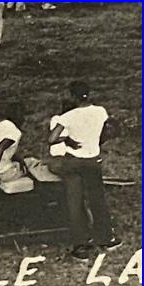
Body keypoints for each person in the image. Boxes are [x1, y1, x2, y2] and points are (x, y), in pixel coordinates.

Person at [48, 81, 122, 262]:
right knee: (98, 199)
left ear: (72, 96)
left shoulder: (69, 115)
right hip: (92, 161)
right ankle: (107, 239)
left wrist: (67, 140)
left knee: (75, 202)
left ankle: (81, 246)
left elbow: (51, 139)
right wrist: (97, 142)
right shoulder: (100, 111)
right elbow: (108, 131)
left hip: (73, 162)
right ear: (89, 94)